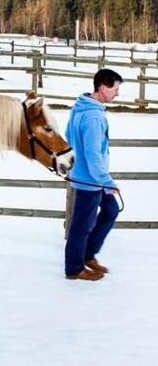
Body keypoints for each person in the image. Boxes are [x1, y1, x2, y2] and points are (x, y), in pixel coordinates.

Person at [64, 68, 123, 281]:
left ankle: (88, 254)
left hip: (89, 176)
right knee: (81, 225)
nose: (117, 93)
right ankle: (74, 268)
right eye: (115, 89)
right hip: (90, 180)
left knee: (111, 210)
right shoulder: (93, 116)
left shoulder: (80, 106)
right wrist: (107, 181)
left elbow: (68, 134)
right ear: (103, 88)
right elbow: (92, 153)